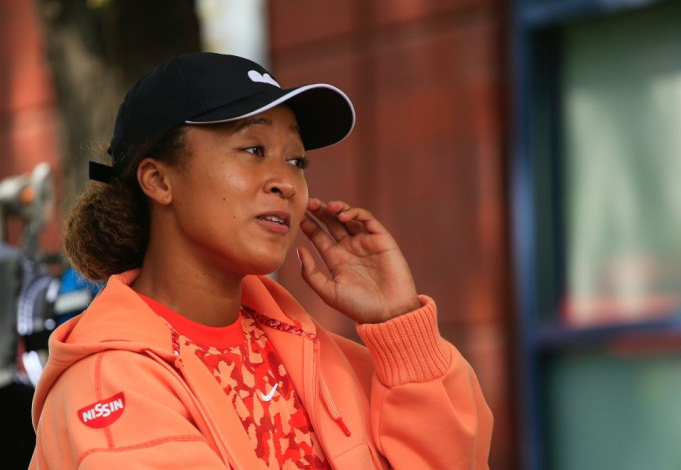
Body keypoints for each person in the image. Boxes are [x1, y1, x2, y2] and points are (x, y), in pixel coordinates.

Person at [29, 52, 493, 469]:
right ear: (158, 181)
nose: (286, 183)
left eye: (297, 161)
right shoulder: (108, 384)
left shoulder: (320, 357)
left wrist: (399, 327)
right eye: (254, 150)